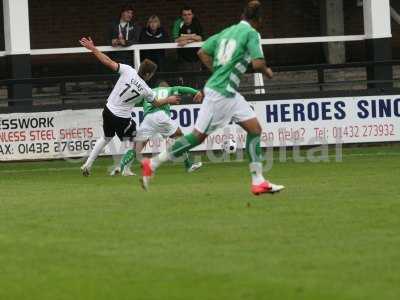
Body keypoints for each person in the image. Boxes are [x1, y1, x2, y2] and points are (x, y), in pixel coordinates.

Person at [140, 1, 285, 195]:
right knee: (196, 137)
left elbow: (202, 51)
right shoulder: (252, 34)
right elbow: (258, 64)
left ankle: (258, 180)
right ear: (258, 20)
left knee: (254, 129)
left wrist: (217, 71)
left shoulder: (227, 32)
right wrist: (268, 72)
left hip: (228, 92)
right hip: (221, 93)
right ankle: (153, 163)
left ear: (242, 15)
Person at [78, 37, 180, 176]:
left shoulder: (128, 70)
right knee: (137, 142)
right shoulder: (146, 89)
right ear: (148, 74)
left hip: (107, 110)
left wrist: (93, 49)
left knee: (107, 137)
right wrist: (169, 99)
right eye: (152, 74)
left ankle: (87, 164)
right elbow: (156, 103)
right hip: (121, 118)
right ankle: (125, 169)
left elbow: (108, 62)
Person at [114, 81, 204, 176]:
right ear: (165, 87)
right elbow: (182, 88)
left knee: (137, 146)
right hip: (160, 116)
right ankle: (188, 165)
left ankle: (122, 167)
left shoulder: (149, 91)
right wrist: (196, 92)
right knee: (179, 135)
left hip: (147, 119)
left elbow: (134, 100)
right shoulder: (169, 89)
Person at [175, 6, 203, 71]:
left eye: (189, 14)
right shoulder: (178, 24)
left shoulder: (196, 23)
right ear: (182, 16)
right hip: (182, 59)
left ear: (192, 15)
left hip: (196, 58)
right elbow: (176, 39)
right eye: (185, 15)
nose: (187, 17)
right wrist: (193, 38)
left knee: (197, 79)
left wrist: (186, 40)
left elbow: (200, 38)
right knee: (185, 80)